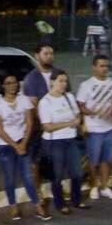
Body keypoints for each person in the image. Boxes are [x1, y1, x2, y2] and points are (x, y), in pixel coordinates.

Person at [0, 73, 47, 221]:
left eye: (15, 82)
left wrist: (23, 143)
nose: (13, 85)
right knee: (10, 178)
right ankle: (13, 207)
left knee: (28, 176)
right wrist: (15, 146)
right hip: (5, 146)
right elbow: (0, 130)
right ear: (2, 86)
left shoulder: (24, 100)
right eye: (9, 83)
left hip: (24, 143)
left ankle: (37, 206)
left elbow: (30, 123)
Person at [38, 70, 88, 215]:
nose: (64, 84)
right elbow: (47, 127)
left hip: (70, 139)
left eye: (65, 81)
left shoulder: (69, 97)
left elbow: (77, 114)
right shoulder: (45, 102)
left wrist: (78, 120)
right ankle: (60, 204)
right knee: (57, 175)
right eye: (60, 81)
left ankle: (76, 200)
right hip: (54, 142)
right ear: (52, 82)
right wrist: (69, 123)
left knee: (77, 173)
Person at [79, 54, 112, 200]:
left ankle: (104, 187)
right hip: (93, 130)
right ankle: (93, 186)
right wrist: (93, 112)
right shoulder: (86, 85)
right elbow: (80, 106)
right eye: (102, 66)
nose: (105, 69)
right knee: (93, 161)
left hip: (109, 129)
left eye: (106, 66)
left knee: (107, 160)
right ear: (94, 67)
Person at [22, 41, 58, 203]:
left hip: (58, 127)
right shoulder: (31, 78)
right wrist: (46, 124)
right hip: (39, 128)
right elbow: (33, 107)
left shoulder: (59, 74)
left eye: (51, 53)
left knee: (56, 161)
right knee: (36, 162)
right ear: (37, 56)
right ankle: (38, 192)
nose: (49, 57)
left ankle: (57, 188)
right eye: (46, 53)